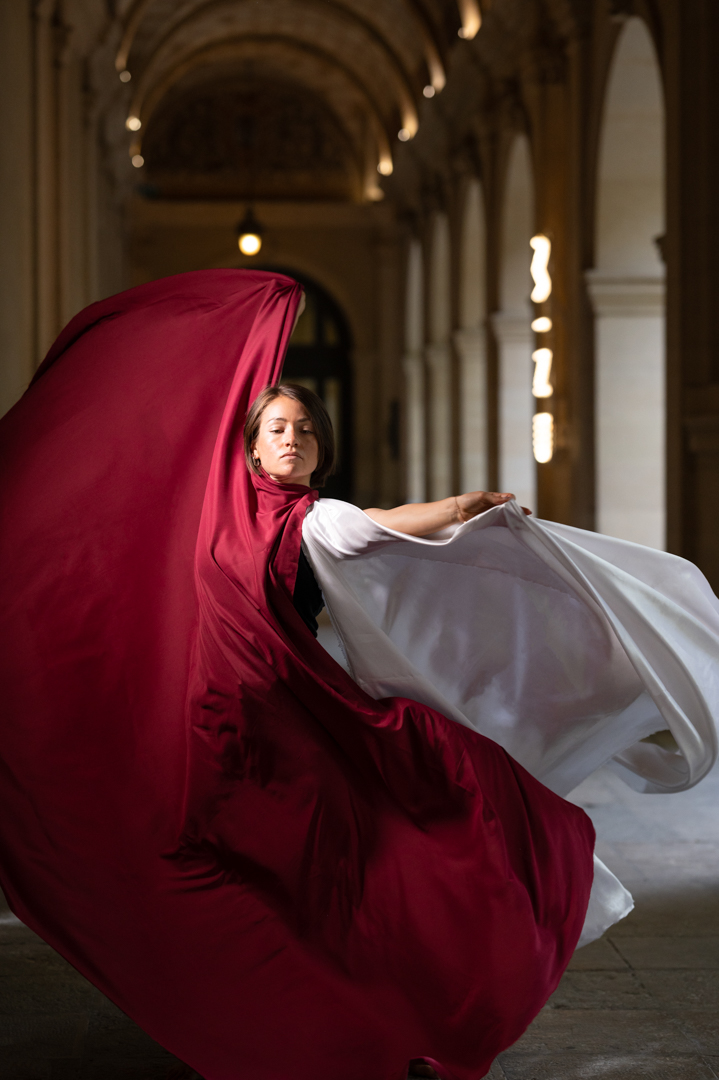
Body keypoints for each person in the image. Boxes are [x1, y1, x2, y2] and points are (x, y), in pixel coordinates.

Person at [0, 269, 716, 1080]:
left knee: (399, 826)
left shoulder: (318, 520)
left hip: (279, 720)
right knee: (205, 863)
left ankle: (350, 1014)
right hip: (202, 722)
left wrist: (456, 509)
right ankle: (266, 1011)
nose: (290, 438)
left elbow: (379, 527)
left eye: (304, 428)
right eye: (274, 426)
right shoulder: (207, 509)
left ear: (322, 447)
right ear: (247, 443)